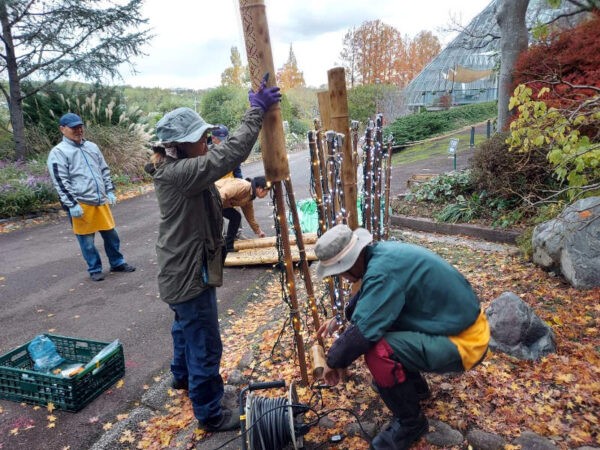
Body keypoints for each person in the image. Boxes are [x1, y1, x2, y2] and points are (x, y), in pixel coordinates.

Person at [144, 81, 281, 433]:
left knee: (184, 329)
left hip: (177, 271)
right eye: (200, 137)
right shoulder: (180, 173)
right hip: (188, 275)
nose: (206, 142)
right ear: (178, 145)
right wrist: (256, 111)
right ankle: (210, 411)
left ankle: (181, 378)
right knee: (205, 341)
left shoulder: (178, 168)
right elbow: (229, 155)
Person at [315, 224, 490, 450]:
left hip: (465, 342)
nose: (342, 277)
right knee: (381, 333)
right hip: (455, 325)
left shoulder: (382, 273)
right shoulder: (381, 254)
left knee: (378, 351)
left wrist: (332, 361)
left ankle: (411, 423)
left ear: (351, 262)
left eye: (340, 271)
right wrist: (339, 320)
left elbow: (363, 332)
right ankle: (415, 389)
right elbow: (365, 305)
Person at [47, 113, 136, 282]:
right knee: (87, 241)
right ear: (62, 129)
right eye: (73, 128)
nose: (78, 130)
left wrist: (109, 190)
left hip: (100, 200)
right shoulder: (58, 152)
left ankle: (117, 263)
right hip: (81, 202)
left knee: (111, 235)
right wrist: (71, 204)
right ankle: (94, 268)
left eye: (80, 126)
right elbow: (60, 180)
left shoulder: (92, 147)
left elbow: (104, 169)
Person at [215, 176, 270, 251]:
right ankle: (217, 248)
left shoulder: (250, 197)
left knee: (236, 217)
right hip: (212, 198)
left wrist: (258, 231)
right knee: (216, 223)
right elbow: (222, 194)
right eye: (266, 192)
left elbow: (250, 216)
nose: (266, 195)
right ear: (260, 189)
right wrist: (215, 213)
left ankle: (229, 246)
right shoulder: (243, 186)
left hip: (222, 203)